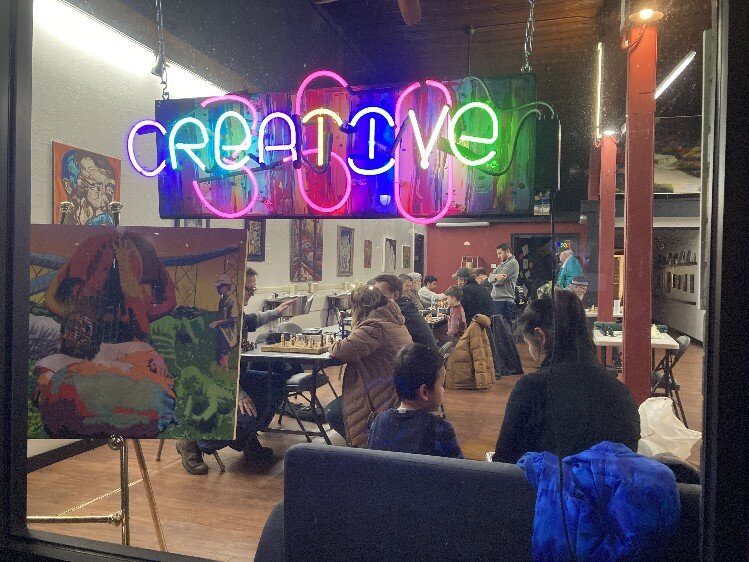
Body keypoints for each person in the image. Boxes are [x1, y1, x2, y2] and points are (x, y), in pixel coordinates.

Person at [492, 290, 640, 464]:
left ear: (540, 336)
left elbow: (505, 459)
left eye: (529, 343)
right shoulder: (619, 390)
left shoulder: (532, 388)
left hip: (546, 482)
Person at [177, 268, 295, 475]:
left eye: (252, 289)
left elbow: (251, 320)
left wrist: (276, 312)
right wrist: (238, 393)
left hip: (233, 378)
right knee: (245, 418)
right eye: (247, 289)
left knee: (275, 382)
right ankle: (192, 441)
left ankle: (246, 439)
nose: (250, 294)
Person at [324, 285, 413, 447]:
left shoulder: (374, 327)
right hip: (397, 387)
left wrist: (331, 345)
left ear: (359, 308)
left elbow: (341, 351)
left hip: (383, 393)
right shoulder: (393, 319)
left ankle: (370, 448)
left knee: (333, 411)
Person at [368, 343, 463, 458]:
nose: (443, 390)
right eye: (442, 385)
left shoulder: (378, 422)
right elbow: (458, 468)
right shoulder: (440, 429)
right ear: (424, 392)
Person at [374, 274, 437, 349]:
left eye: (381, 294)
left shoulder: (399, 309)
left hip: (422, 353)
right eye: (375, 293)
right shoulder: (404, 303)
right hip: (422, 351)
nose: (375, 297)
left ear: (396, 295)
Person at [210, 274, 239, 369]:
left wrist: (217, 323)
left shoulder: (232, 299)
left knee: (224, 354)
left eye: (220, 286)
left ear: (227, 286)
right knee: (219, 354)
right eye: (217, 287)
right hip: (222, 331)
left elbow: (234, 318)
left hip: (228, 332)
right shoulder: (222, 299)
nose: (218, 289)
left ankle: (225, 371)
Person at [489, 243, 519, 326]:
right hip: (497, 300)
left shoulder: (512, 263)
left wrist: (494, 278)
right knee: (497, 328)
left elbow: (499, 282)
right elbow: (489, 278)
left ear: (507, 251)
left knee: (504, 328)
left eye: (500, 253)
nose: (498, 256)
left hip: (505, 301)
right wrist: (496, 277)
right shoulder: (501, 264)